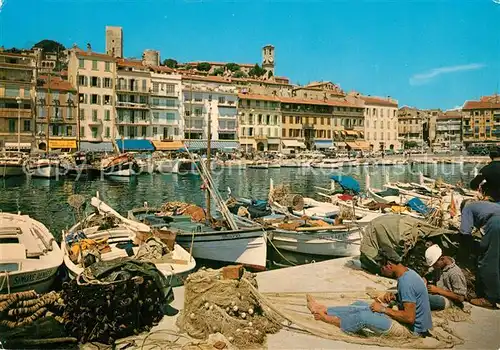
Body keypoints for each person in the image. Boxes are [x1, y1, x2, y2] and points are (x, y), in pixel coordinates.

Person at [307, 249, 432, 336]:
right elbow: (411, 298)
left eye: (382, 267)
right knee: (360, 305)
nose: (382, 271)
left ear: (389, 265)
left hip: (412, 330)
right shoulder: (407, 273)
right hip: (408, 323)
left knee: (363, 317)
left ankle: (328, 319)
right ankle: (326, 309)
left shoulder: (406, 282)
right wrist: (396, 296)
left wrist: (383, 310)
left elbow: (410, 318)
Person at [460, 200, 500, 309]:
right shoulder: (487, 205)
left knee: (487, 261)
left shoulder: (467, 208)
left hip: (496, 224)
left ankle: (489, 298)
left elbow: (465, 233)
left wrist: (468, 251)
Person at [424, 244, 467, 310]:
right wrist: (424, 279)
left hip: (449, 301)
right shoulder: (439, 267)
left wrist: (438, 290)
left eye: (435, 264)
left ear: (442, 259)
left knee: (422, 298)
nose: (434, 267)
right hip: (437, 295)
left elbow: (460, 297)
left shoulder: (455, 273)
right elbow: (428, 275)